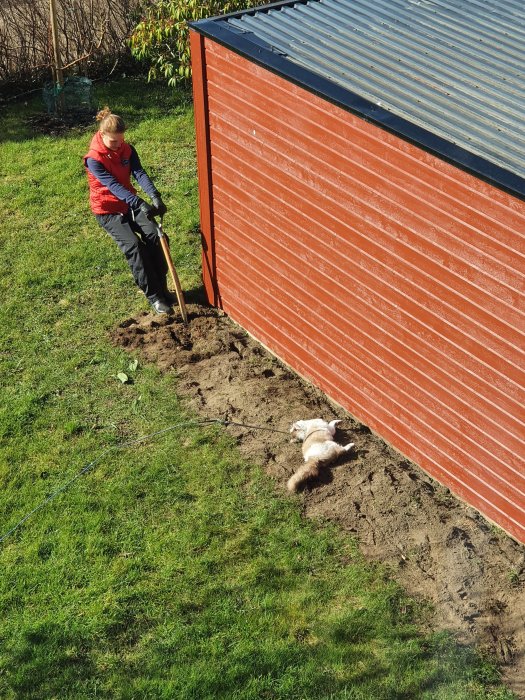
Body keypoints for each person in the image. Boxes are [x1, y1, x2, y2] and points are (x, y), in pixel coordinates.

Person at [85, 106, 174, 314]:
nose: (117, 146)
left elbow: (139, 173)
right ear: (102, 134)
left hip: (128, 203)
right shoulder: (93, 159)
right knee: (135, 247)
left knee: (157, 237)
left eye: (121, 140)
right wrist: (139, 203)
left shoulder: (127, 149)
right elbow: (114, 186)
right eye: (113, 142)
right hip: (107, 210)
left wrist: (155, 196)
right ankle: (154, 297)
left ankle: (162, 288)